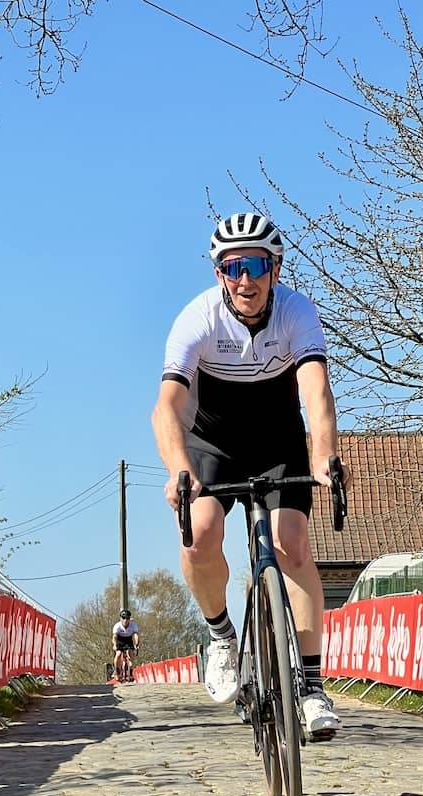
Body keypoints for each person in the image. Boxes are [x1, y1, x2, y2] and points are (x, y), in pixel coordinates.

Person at [151, 211, 349, 737]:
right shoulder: (196, 320)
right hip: (212, 441)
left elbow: (315, 393)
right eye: (233, 266)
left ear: (275, 270)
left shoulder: (297, 313)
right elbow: (167, 409)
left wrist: (324, 457)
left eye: (256, 265)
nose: (246, 279)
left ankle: (310, 687)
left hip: (276, 440)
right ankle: (220, 638)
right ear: (219, 273)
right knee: (200, 535)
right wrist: (179, 472)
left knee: (293, 546)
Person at [112, 609, 140, 681]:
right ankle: (117, 671)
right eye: (123, 618)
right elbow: (114, 637)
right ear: (120, 618)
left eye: (127, 618)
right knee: (118, 654)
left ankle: (130, 671)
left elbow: (136, 635)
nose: (125, 620)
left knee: (130, 654)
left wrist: (136, 644)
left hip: (128, 640)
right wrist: (115, 645)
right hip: (120, 640)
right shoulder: (117, 626)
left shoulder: (133, 625)